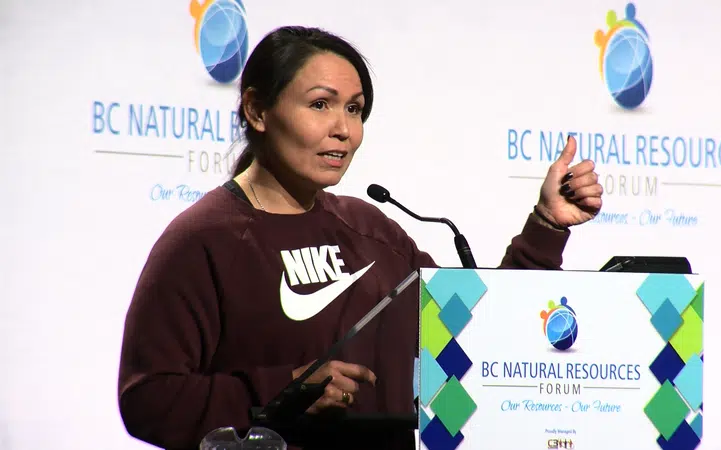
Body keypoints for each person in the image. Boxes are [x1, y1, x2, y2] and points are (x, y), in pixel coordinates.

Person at [117, 26, 603, 450]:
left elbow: (477, 327)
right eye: (320, 104)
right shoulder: (204, 240)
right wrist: (281, 392)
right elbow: (148, 399)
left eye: (354, 109)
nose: (343, 129)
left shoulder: (370, 228)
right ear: (257, 110)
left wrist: (547, 224)